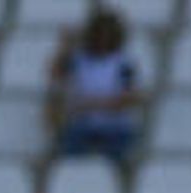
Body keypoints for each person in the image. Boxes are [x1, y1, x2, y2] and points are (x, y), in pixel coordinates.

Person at [47, 6, 144, 165]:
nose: (102, 39)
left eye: (107, 34)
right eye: (99, 34)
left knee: (120, 155)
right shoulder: (78, 59)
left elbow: (130, 97)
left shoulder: (123, 62)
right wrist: (65, 46)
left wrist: (91, 105)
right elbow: (55, 74)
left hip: (115, 127)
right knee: (67, 152)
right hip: (81, 125)